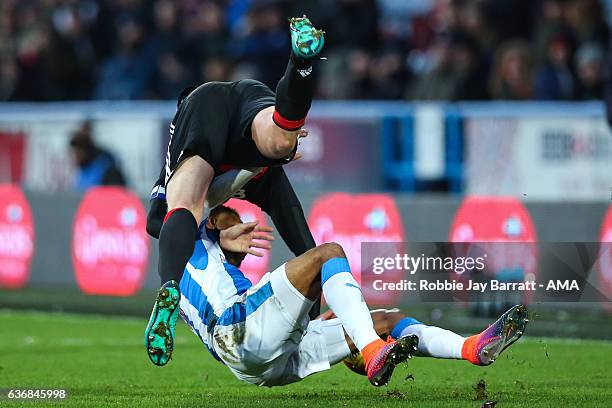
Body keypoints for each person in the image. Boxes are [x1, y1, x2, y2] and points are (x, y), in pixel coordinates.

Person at [165, 205, 529, 387]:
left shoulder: (198, 275)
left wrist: (334, 327)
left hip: (255, 365)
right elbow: (194, 195)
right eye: (232, 220)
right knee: (329, 253)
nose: (243, 231)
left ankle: (471, 348)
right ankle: (371, 351)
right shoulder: (188, 238)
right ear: (211, 224)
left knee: (384, 319)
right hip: (238, 326)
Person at [144, 16, 324, 366]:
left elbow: (156, 220)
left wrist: (208, 228)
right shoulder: (267, 177)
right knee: (280, 139)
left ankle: (169, 286)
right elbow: (303, 240)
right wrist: (314, 308)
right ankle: (300, 65)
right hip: (251, 97)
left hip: (202, 104)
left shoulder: (259, 174)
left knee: (184, 201)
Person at [68, 122, 126, 190]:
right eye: (72, 153)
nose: (75, 156)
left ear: (86, 151)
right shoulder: (81, 172)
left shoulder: (105, 168)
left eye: (78, 152)